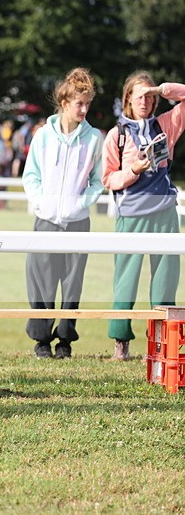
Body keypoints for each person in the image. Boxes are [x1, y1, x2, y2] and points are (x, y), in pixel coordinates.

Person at [22, 68, 104, 359]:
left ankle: (65, 341)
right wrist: (40, 202)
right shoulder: (43, 135)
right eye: (79, 103)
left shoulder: (94, 139)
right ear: (65, 102)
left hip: (77, 221)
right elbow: (30, 175)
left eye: (87, 104)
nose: (84, 109)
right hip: (45, 219)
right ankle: (41, 340)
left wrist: (81, 204)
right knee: (41, 281)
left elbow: (98, 179)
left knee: (72, 284)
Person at [102, 72, 185, 360]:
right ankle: (120, 341)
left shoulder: (165, 125)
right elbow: (108, 179)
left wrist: (163, 89)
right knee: (125, 280)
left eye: (150, 97)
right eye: (140, 96)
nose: (146, 102)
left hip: (164, 210)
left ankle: (162, 343)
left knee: (166, 280)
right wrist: (133, 171)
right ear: (128, 99)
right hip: (132, 213)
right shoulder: (117, 135)